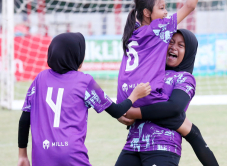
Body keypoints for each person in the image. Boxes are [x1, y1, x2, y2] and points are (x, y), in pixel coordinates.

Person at [116, 0, 218, 165]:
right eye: (171, 42)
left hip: (161, 144)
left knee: (194, 133)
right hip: (133, 142)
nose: (172, 46)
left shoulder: (134, 32)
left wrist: (130, 110)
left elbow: (173, 110)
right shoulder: (156, 34)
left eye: (181, 45)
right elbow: (189, 5)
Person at [17, 32, 151, 166]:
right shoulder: (84, 81)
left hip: (41, 156)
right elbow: (116, 111)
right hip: (71, 155)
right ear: (76, 56)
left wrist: (22, 155)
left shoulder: (40, 78)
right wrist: (134, 96)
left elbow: (24, 118)